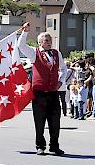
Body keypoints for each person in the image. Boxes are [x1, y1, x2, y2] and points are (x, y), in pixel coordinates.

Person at [18, 24, 69, 155]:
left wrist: (60, 81)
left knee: (55, 121)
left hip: (53, 92)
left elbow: (64, 69)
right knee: (39, 121)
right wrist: (25, 33)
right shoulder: (34, 53)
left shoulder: (57, 53)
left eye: (50, 40)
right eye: (46, 40)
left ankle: (54, 145)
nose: (49, 42)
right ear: (40, 42)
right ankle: (40, 145)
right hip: (39, 92)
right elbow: (21, 46)